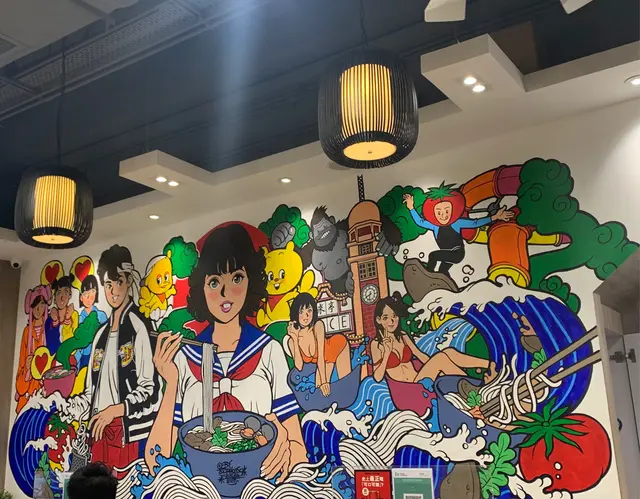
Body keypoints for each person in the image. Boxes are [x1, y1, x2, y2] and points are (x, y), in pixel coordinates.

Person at [147, 223, 306, 483]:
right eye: (214, 282)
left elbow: (299, 452)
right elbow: (156, 461)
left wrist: (285, 448)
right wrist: (171, 382)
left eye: (237, 278)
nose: (224, 292)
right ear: (202, 288)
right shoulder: (187, 359)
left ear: (251, 281)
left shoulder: (269, 352)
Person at [81, 245, 160, 476]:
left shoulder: (138, 326)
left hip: (126, 431)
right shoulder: (100, 335)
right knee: (94, 488)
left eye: (119, 282)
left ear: (129, 281)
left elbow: (149, 388)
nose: (114, 291)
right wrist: (71, 407)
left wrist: (115, 410)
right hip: (98, 429)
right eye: (108, 284)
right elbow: (91, 391)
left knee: (122, 487)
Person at [371, 292, 495, 384]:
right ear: (378, 320)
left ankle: (491, 365)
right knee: (441, 358)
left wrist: (436, 366)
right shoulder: (376, 344)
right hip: (411, 388)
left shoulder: (402, 336)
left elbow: (420, 355)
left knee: (448, 353)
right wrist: (386, 353)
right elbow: (377, 377)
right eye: (386, 318)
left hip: (419, 378)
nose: (392, 321)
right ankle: (473, 387)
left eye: (394, 316)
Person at [403, 185, 514, 277]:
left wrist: (495, 217)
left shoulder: (457, 223)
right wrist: (411, 208)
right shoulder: (435, 226)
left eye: (447, 211)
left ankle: (428, 275)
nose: (443, 216)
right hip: (448, 253)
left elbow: (475, 223)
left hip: (457, 253)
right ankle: (446, 283)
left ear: (453, 210)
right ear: (434, 214)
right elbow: (420, 222)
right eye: (439, 213)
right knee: (442, 271)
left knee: (433, 256)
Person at [287, 292, 351, 397]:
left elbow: (321, 356)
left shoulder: (318, 326)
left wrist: (324, 382)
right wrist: (294, 338)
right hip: (324, 360)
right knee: (319, 391)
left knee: (345, 383)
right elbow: (299, 367)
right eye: (301, 312)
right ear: (295, 314)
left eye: (309, 311)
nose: (306, 316)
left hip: (338, 347)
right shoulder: (291, 341)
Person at [15, 285, 52, 413]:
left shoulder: (49, 329)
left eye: (42, 304)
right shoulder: (27, 332)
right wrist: (26, 368)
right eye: (35, 305)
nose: (38, 309)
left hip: (43, 387)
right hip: (28, 388)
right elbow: (21, 363)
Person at [75, 275, 108, 368]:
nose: (89, 297)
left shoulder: (101, 316)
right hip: (84, 357)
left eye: (93, 291)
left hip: (98, 355)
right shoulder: (79, 319)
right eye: (86, 294)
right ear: (81, 297)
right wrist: (75, 360)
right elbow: (77, 343)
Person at [50, 275, 79, 347]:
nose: (62, 297)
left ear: (70, 295)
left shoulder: (74, 315)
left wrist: (68, 318)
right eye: (59, 293)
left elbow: (75, 341)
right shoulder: (50, 320)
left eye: (65, 293)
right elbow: (50, 343)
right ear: (54, 297)